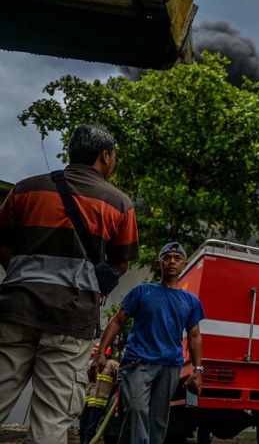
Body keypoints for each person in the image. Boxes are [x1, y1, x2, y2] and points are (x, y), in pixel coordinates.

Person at [0, 124, 139, 443]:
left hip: (15, 310)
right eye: (115, 154)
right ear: (106, 155)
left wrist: (24, 274)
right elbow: (120, 263)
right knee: (51, 420)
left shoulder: (25, 189)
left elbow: (3, 241)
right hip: (71, 319)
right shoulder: (119, 203)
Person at [95, 242, 204, 444]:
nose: (172, 261)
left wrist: (197, 369)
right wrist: (101, 352)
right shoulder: (142, 291)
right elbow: (117, 321)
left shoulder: (190, 301)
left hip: (170, 366)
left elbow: (194, 335)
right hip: (138, 363)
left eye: (177, 258)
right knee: (136, 409)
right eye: (167, 257)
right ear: (158, 263)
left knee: (157, 419)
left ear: (184, 265)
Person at [79, 345, 119, 444]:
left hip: (100, 403)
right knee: (82, 426)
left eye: (98, 352)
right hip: (87, 402)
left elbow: (121, 375)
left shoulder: (112, 364)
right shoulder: (89, 364)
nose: (95, 354)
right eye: (95, 351)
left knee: (90, 428)